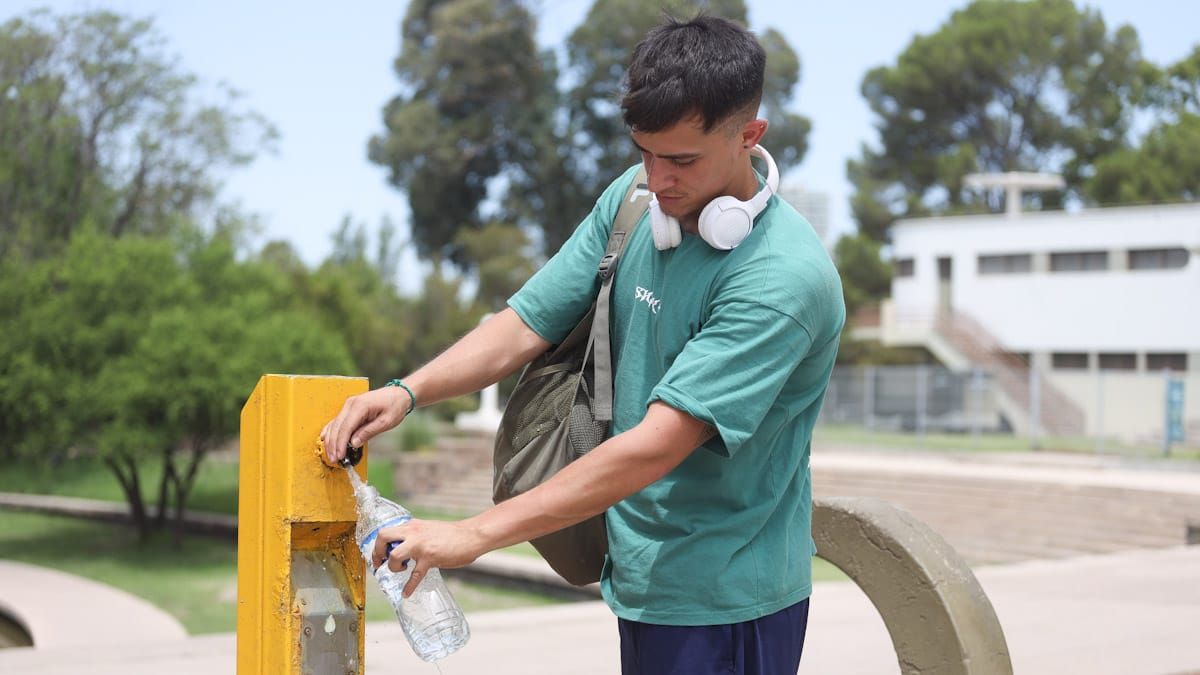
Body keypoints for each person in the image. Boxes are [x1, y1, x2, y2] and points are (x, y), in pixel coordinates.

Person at [321, 14, 844, 675]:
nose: (657, 180)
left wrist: (471, 533)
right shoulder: (632, 201)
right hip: (639, 579)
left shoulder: (779, 278)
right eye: (645, 151)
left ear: (749, 136)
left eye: (681, 159)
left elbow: (656, 443)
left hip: (727, 599)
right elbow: (525, 322)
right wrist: (406, 392)